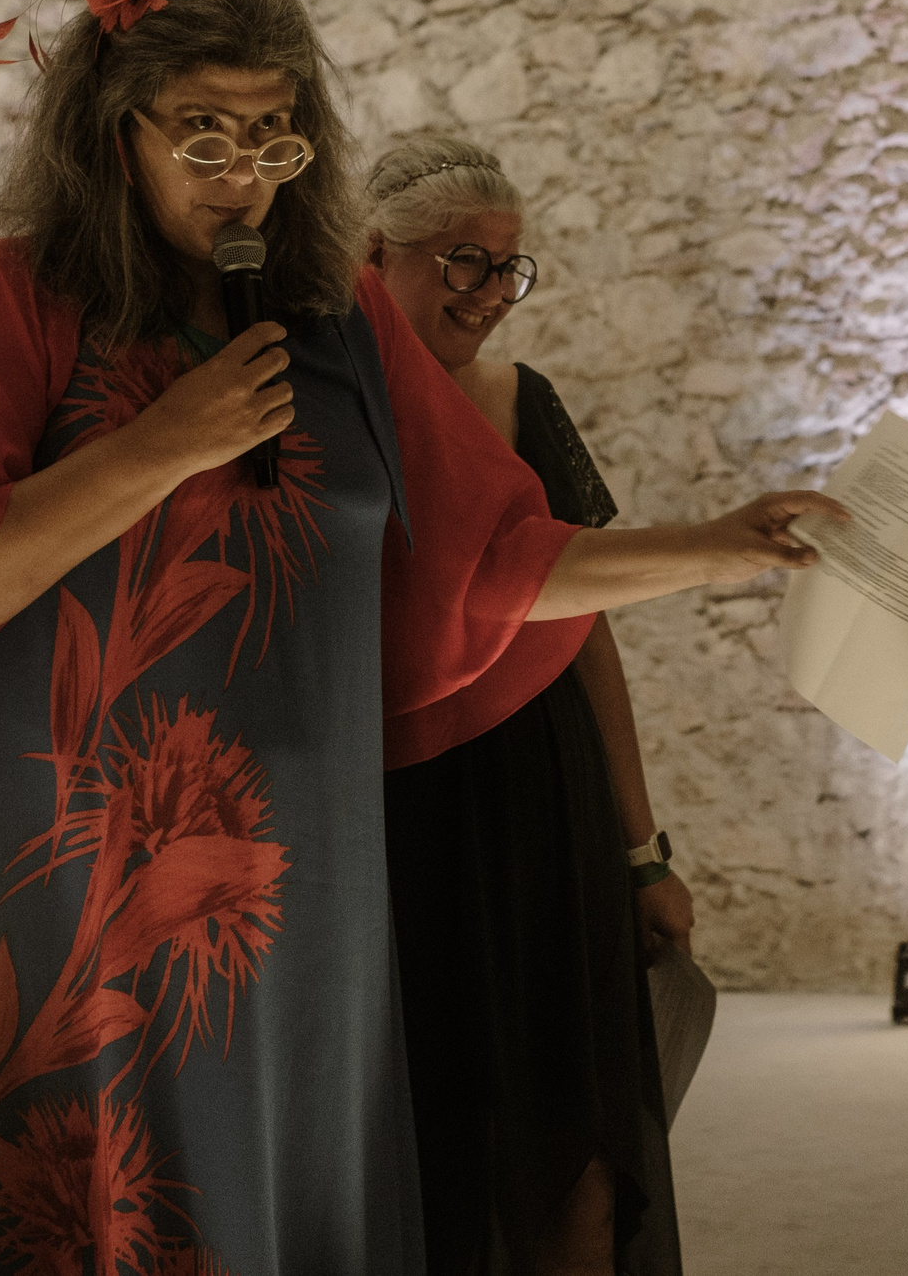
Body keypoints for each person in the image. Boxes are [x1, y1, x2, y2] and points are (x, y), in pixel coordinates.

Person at [0, 0, 843, 1276]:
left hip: (294, 859)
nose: (242, 177)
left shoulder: (339, 322)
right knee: (103, 1191)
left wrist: (722, 548)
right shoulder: (9, 301)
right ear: (113, 133)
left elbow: (493, 557)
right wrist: (160, 448)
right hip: (73, 859)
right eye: (203, 135)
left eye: (275, 136)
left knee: (292, 1167)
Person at [363, 137, 688, 1276]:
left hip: (540, 795)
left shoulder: (520, 400)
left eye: (509, 268)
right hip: (391, 806)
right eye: (463, 262)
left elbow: (585, 624)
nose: (491, 293)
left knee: (570, 1128)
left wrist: (641, 854)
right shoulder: (321, 403)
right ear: (374, 253)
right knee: (422, 1136)